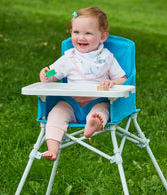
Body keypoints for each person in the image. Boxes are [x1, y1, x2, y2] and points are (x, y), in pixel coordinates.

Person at [40, 7, 127, 161]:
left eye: (88, 33)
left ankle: (94, 123)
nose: (81, 37)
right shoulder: (69, 58)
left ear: (103, 37)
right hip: (71, 102)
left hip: (97, 100)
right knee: (56, 114)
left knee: (102, 110)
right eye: (76, 32)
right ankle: (52, 149)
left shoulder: (107, 58)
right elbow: (54, 72)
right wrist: (47, 75)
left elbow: (123, 79)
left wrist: (112, 82)